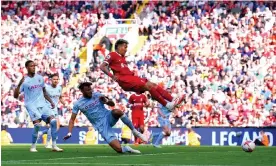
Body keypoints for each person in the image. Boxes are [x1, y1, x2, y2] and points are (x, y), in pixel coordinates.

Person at [100, 39, 185, 111]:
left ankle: (171, 101)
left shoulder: (122, 58)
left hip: (130, 79)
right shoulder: (113, 54)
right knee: (149, 86)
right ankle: (169, 103)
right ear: (118, 46)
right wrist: (112, 76)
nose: (126, 49)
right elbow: (102, 66)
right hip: (125, 80)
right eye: (124, 47)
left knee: (153, 85)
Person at [63, 82, 146, 154]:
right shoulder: (78, 104)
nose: (90, 91)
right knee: (119, 149)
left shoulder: (97, 95)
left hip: (108, 116)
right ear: (82, 91)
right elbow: (72, 119)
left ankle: (135, 131)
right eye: (87, 90)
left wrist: (106, 101)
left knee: (117, 111)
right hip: (101, 126)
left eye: (90, 89)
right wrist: (69, 132)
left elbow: (112, 104)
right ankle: (127, 148)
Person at [13, 60, 63, 152]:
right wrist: (19, 84)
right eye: (31, 66)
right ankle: (33, 146)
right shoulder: (24, 80)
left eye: (34, 66)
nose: (33, 67)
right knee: (37, 125)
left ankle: (54, 145)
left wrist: (51, 102)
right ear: (27, 67)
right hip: (31, 105)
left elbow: (44, 91)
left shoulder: (40, 78)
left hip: (43, 104)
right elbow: (15, 96)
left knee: (53, 122)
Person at [38, 73, 66, 148]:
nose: (56, 81)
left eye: (57, 79)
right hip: (47, 109)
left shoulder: (59, 88)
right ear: (50, 80)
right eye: (54, 79)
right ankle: (48, 143)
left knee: (56, 127)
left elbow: (60, 97)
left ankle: (41, 133)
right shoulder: (46, 88)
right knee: (54, 125)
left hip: (55, 109)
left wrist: (65, 104)